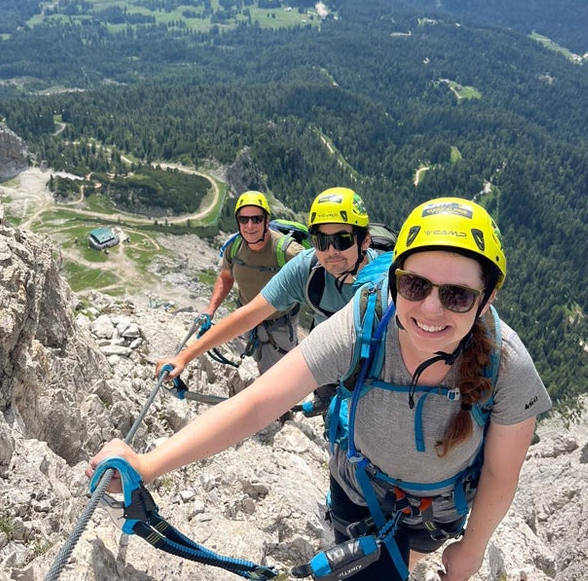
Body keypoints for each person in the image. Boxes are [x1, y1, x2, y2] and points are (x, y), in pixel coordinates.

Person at [89, 197, 552, 580]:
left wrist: (472, 550)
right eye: (415, 285)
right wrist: (146, 465)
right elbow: (259, 403)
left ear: (486, 298)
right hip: (358, 488)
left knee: (390, 565)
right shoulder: (366, 321)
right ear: (396, 281)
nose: (431, 310)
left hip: (434, 511)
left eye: (456, 295)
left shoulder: (507, 365)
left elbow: (500, 474)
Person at [155, 187, 387, 396]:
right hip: (329, 366)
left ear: (365, 240)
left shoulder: (389, 280)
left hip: (381, 371)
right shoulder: (307, 269)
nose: (331, 250)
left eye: (342, 239)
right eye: (321, 241)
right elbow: (249, 314)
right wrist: (185, 356)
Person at [200, 190, 305, 374]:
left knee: (278, 377)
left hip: (280, 324)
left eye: (256, 219)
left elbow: (316, 278)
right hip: (249, 323)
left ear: (266, 220)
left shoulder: (287, 251)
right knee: (260, 366)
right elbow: (226, 277)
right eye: (244, 219)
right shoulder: (234, 247)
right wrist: (210, 311)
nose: (250, 225)